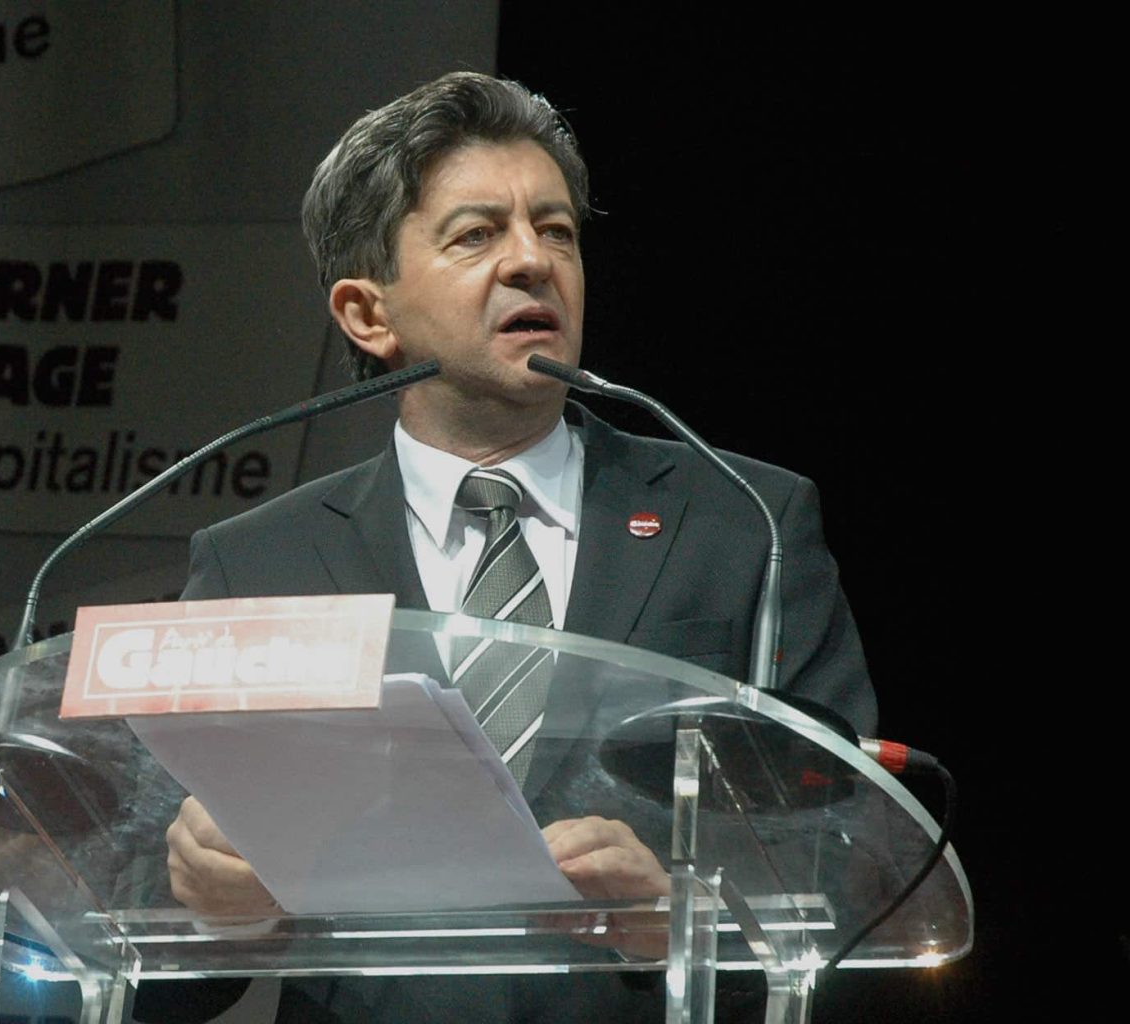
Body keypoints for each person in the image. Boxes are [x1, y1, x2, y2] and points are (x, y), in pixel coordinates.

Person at [140, 72, 876, 1022]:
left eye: (557, 230)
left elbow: (850, 859)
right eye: (477, 234)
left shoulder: (743, 521)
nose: (533, 262)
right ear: (369, 315)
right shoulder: (260, 565)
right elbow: (150, 919)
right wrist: (217, 912)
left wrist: (680, 920)